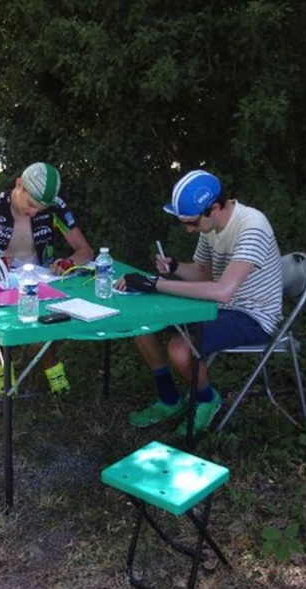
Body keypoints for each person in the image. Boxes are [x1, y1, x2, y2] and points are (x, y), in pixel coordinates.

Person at [116, 169, 283, 435]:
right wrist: (174, 267)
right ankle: (170, 399)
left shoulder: (252, 226)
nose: (188, 229)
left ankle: (207, 399)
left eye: (192, 222)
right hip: (218, 305)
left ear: (214, 208)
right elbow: (203, 273)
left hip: (252, 313)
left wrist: (156, 283)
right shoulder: (211, 226)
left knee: (180, 349)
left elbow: (223, 291)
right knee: (142, 322)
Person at [0, 162, 95, 394]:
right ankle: (4, 361)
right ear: (19, 185)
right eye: (32, 205)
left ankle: (52, 368)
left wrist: (68, 263)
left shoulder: (56, 207)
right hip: (0, 283)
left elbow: (86, 251)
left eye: (41, 210)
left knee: (38, 323)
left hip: (40, 280)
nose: (35, 212)